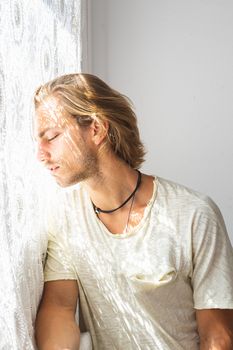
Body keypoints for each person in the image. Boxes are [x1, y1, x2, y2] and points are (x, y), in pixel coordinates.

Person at [34, 73, 233, 350]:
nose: (40, 154)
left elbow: (218, 337)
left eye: (52, 136)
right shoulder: (66, 217)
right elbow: (59, 308)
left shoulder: (194, 215)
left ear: (96, 129)